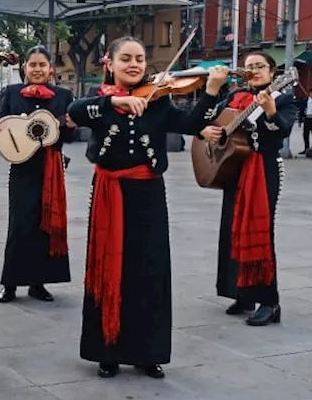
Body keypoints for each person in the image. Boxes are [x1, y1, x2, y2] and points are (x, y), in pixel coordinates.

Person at [68, 37, 228, 379]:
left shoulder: (158, 101)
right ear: (109, 63)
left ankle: (146, 352)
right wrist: (118, 101)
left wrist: (212, 90)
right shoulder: (100, 101)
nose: (134, 64)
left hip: (148, 193)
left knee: (150, 270)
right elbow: (74, 111)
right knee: (108, 267)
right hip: (110, 192)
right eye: (125, 58)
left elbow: (190, 123)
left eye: (140, 59)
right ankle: (106, 350)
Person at [201, 51, 297, 326]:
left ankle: (269, 301)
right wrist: (210, 131)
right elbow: (210, 120)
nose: (254, 70)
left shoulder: (283, 98)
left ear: (273, 72)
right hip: (234, 169)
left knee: (259, 233)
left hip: (263, 171)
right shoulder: (234, 97)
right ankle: (242, 293)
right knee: (232, 231)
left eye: (260, 66)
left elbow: (284, 129)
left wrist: (269, 111)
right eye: (249, 67)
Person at [0, 46, 74, 303]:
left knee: (45, 224)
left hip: (50, 168)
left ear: (51, 69)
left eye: (43, 65)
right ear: (24, 68)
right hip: (21, 168)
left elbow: (69, 134)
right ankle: (10, 284)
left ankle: (38, 283)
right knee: (18, 225)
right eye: (33, 65)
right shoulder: (11, 92)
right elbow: (0, 127)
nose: (38, 69)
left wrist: (69, 126)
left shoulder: (64, 96)